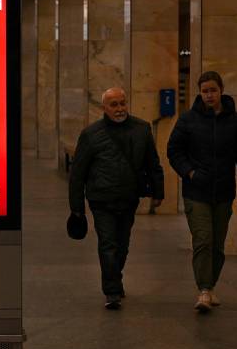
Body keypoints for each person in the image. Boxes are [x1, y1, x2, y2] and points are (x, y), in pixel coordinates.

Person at [167, 71, 237, 313]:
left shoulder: (236, 121)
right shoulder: (188, 120)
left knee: (217, 245)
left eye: (213, 90)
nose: (209, 95)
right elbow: (174, 151)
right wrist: (190, 172)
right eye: (205, 90)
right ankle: (204, 290)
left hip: (223, 192)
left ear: (221, 90)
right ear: (200, 92)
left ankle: (210, 285)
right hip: (196, 192)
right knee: (203, 240)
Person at [69, 88, 165, 309]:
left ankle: (115, 277)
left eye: (123, 103)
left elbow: (153, 163)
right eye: (114, 105)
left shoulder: (141, 129)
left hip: (129, 197)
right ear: (104, 108)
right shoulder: (91, 135)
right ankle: (111, 290)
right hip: (101, 200)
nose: (120, 109)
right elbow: (78, 174)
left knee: (122, 245)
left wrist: (158, 192)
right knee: (108, 244)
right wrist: (76, 208)